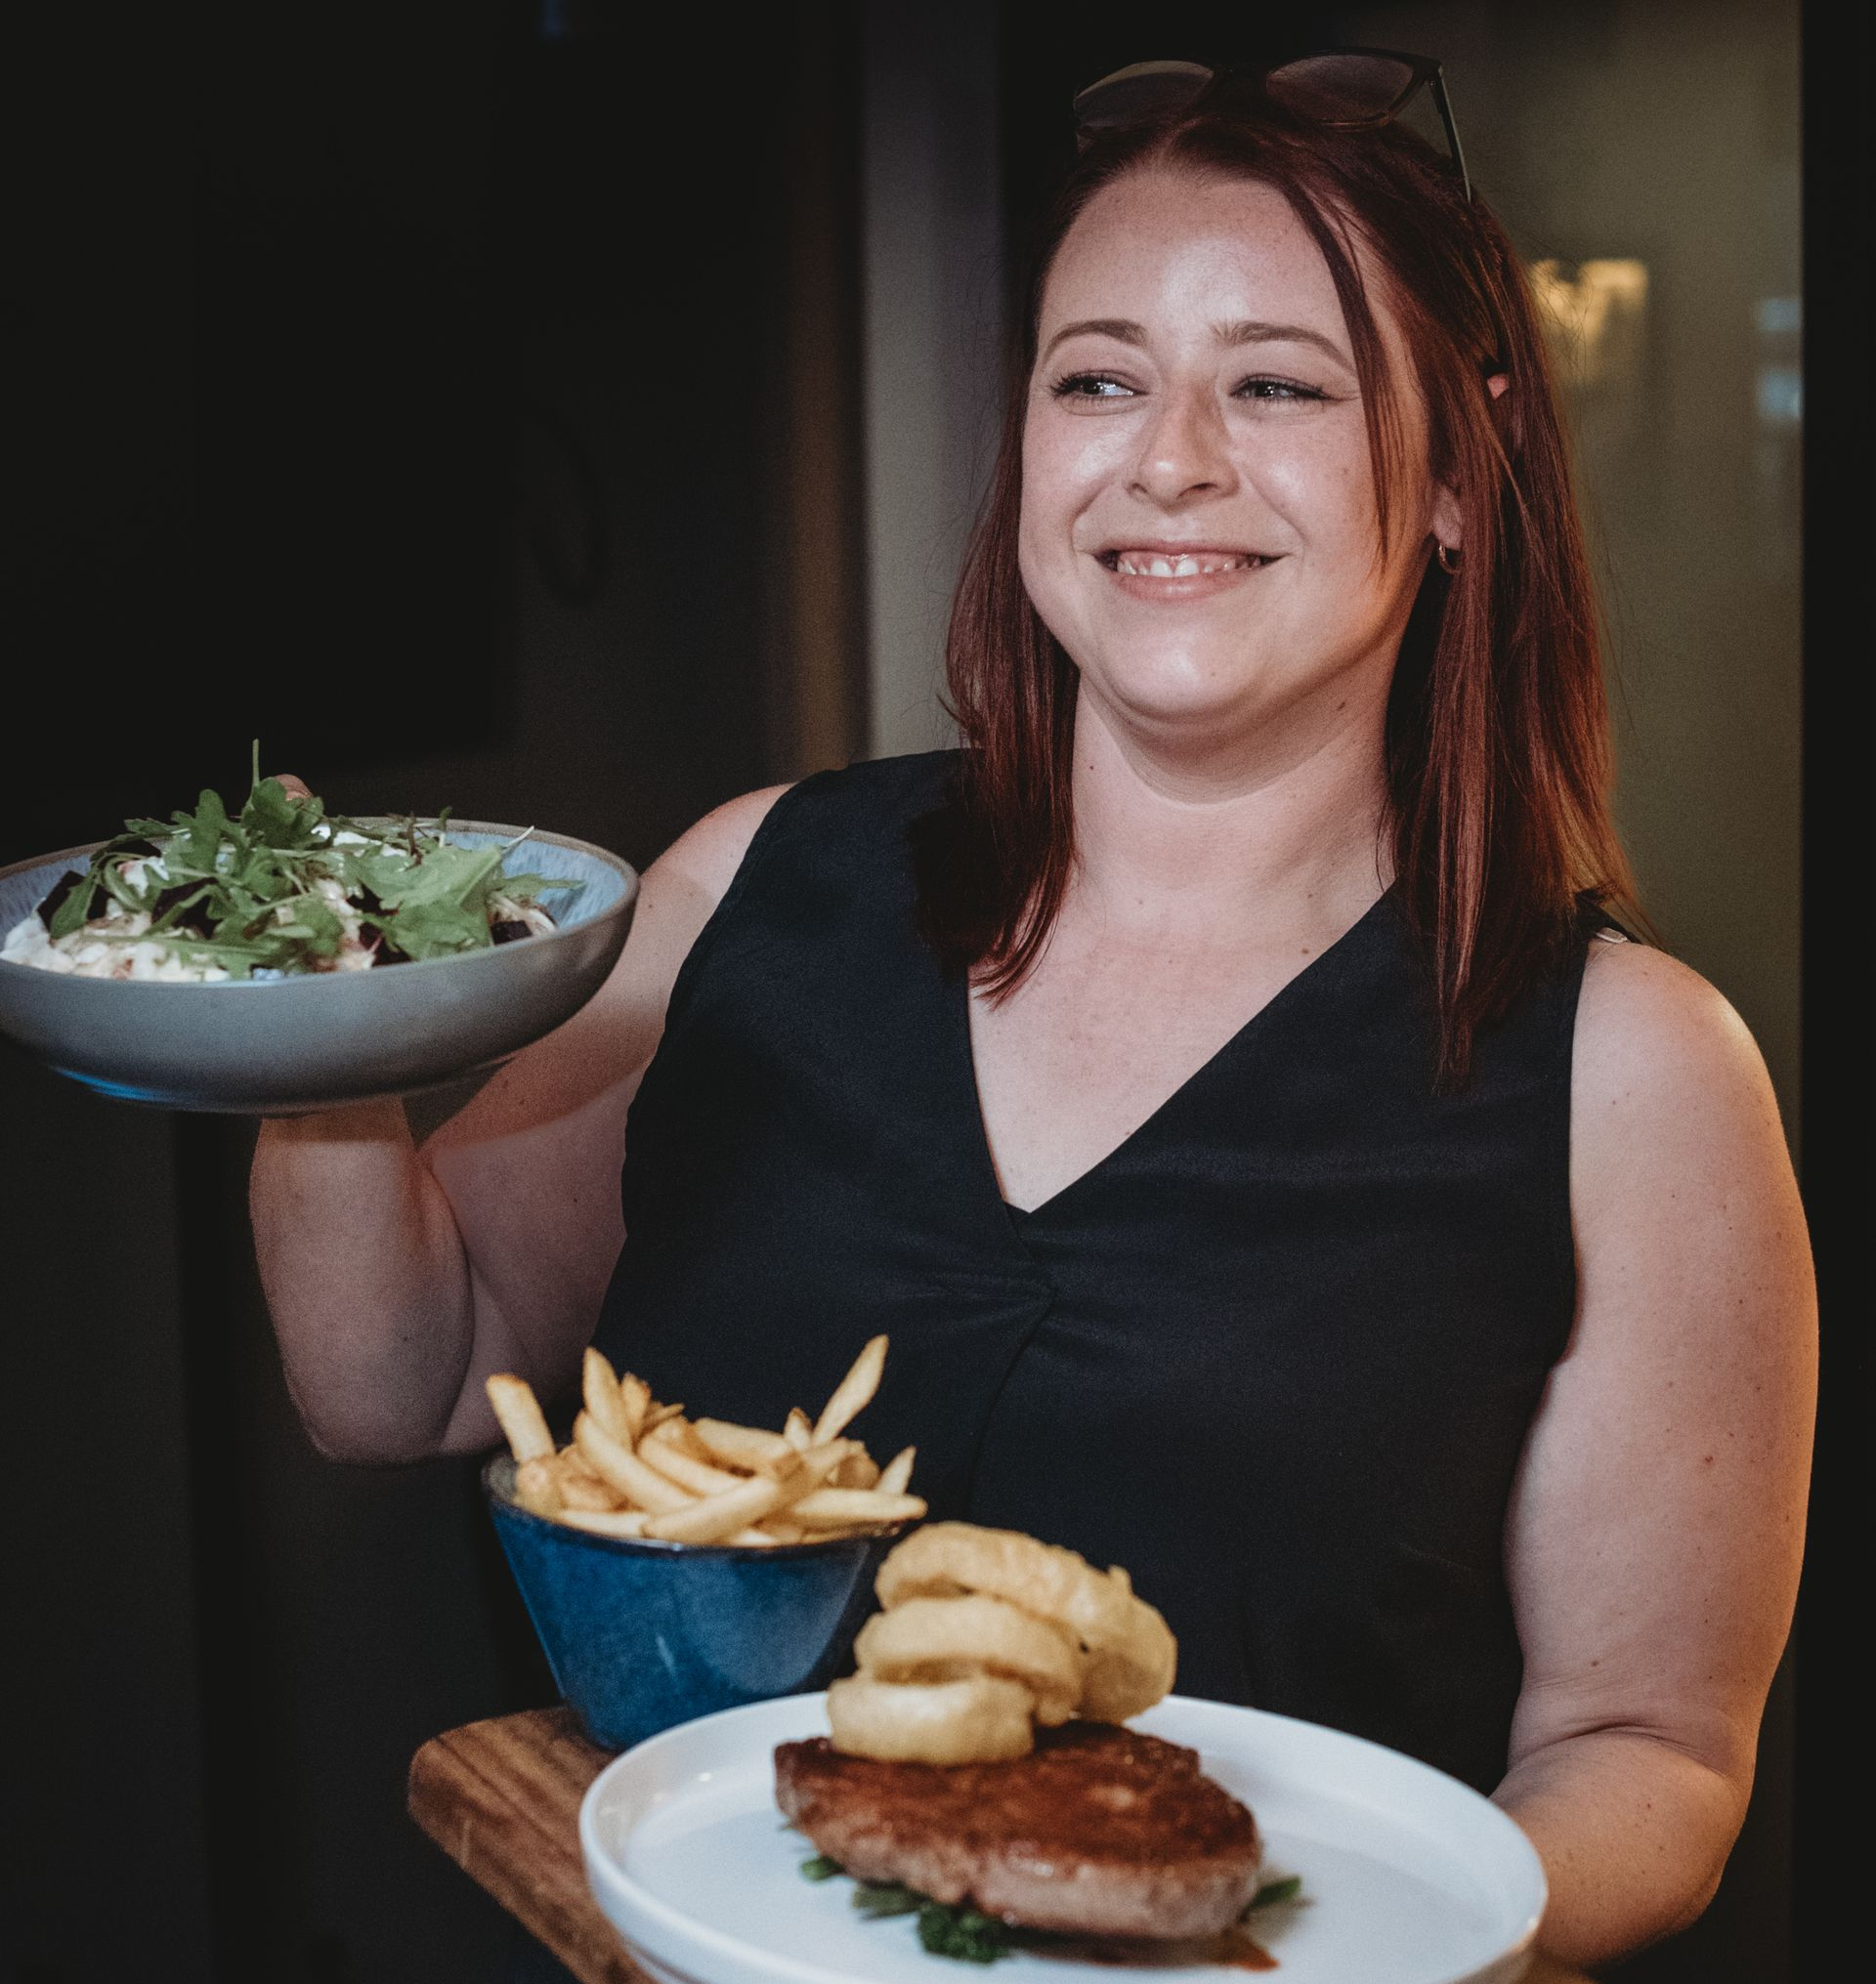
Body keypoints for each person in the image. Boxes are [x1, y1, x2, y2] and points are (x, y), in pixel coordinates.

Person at [250, 52, 1814, 1971]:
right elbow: (396, 1373)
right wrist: (293, 1022)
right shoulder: (750, 881)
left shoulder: (1638, 1072)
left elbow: (1647, 1746)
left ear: (1467, 477)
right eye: (1098, 375)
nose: (1169, 455)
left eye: (1279, 381)